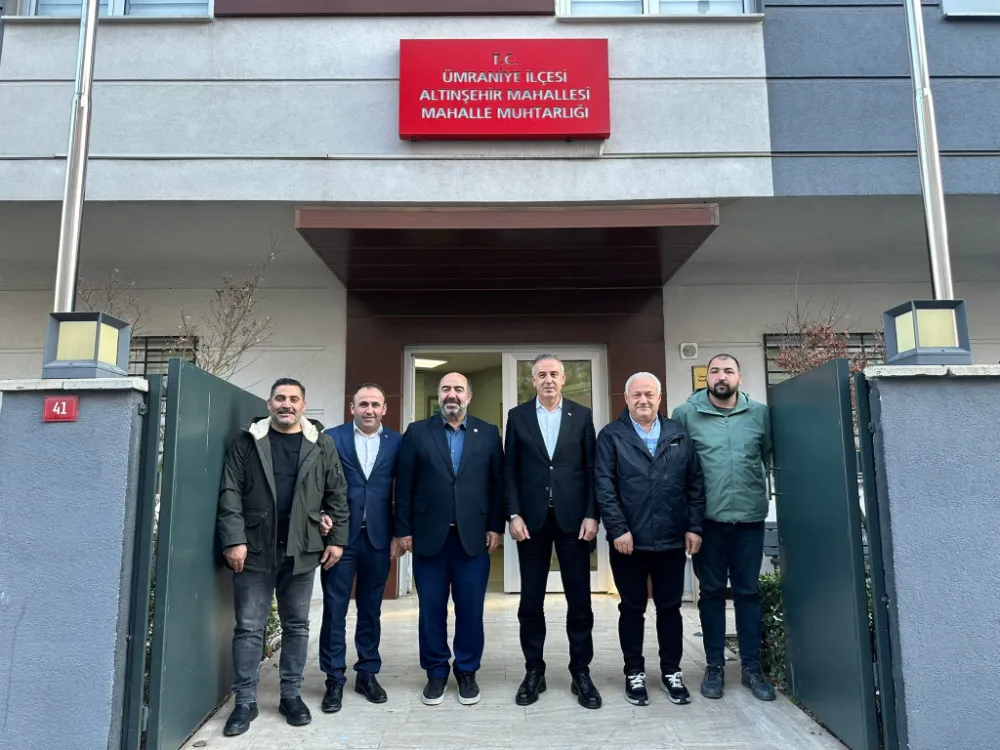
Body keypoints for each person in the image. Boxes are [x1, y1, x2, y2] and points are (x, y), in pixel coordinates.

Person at [217, 378, 350, 736]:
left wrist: (337, 539)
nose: (286, 404)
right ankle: (245, 701)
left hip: (302, 549)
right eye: (280, 398)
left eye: (293, 399)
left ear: (303, 405)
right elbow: (230, 492)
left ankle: (291, 695)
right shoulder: (248, 441)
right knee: (249, 627)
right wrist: (234, 539)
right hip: (255, 549)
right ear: (269, 403)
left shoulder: (321, 443)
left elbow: (337, 493)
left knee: (297, 625)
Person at [393, 372, 504, 707]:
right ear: (439, 395)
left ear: (468, 396)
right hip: (429, 539)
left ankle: (467, 671)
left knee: (470, 610)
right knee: (431, 610)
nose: (451, 394)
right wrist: (403, 530)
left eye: (458, 389)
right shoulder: (416, 432)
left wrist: (495, 526)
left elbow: (497, 485)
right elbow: (404, 486)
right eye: (445, 389)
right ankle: (436, 672)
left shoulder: (488, 433)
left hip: (473, 540)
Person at [595, 372, 705, 707]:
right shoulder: (611, 436)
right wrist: (618, 529)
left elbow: (695, 484)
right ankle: (634, 672)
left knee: (670, 608)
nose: (643, 400)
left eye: (649, 394)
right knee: (632, 609)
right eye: (636, 395)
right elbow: (604, 485)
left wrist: (694, 527)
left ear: (660, 397)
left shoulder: (678, 434)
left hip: (671, 540)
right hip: (628, 542)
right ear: (626, 399)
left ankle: (672, 671)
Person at [672, 353, 776, 702]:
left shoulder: (759, 413)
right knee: (712, 593)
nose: (721, 376)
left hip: (749, 519)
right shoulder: (686, 414)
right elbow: (678, 467)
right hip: (707, 523)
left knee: (748, 593)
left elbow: (767, 455)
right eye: (714, 371)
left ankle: (751, 668)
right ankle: (714, 665)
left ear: (739, 378)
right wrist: (688, 521)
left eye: (728, 371)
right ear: (707, 378)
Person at [503, 354, 601, 709]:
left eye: (554, 374)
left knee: (580, 602)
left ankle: (581, 672)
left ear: (563, 379)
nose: (548, 379)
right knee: (531, 602)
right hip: (531, 523)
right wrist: (513, 514)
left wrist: (592, 514)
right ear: (532, 381)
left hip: (574, 522)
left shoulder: (582, 415)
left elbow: (592, 469)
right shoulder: (517, 417)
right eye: (541, 374)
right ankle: (534, 671)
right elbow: (509, 470)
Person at [318, 383, 402, 713]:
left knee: (370, 609)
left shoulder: (396, 441)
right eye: (363, 404)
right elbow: (317, 482)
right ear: (352, 408)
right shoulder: (331, 438)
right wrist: (320, 513)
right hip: (339, 539)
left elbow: (403, 489)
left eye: (375, 405)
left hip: (379, 538)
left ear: (384, 409)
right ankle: (333, 678)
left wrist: (399, 534)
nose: (369, 410)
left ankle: (367, 672)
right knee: (334, 608)